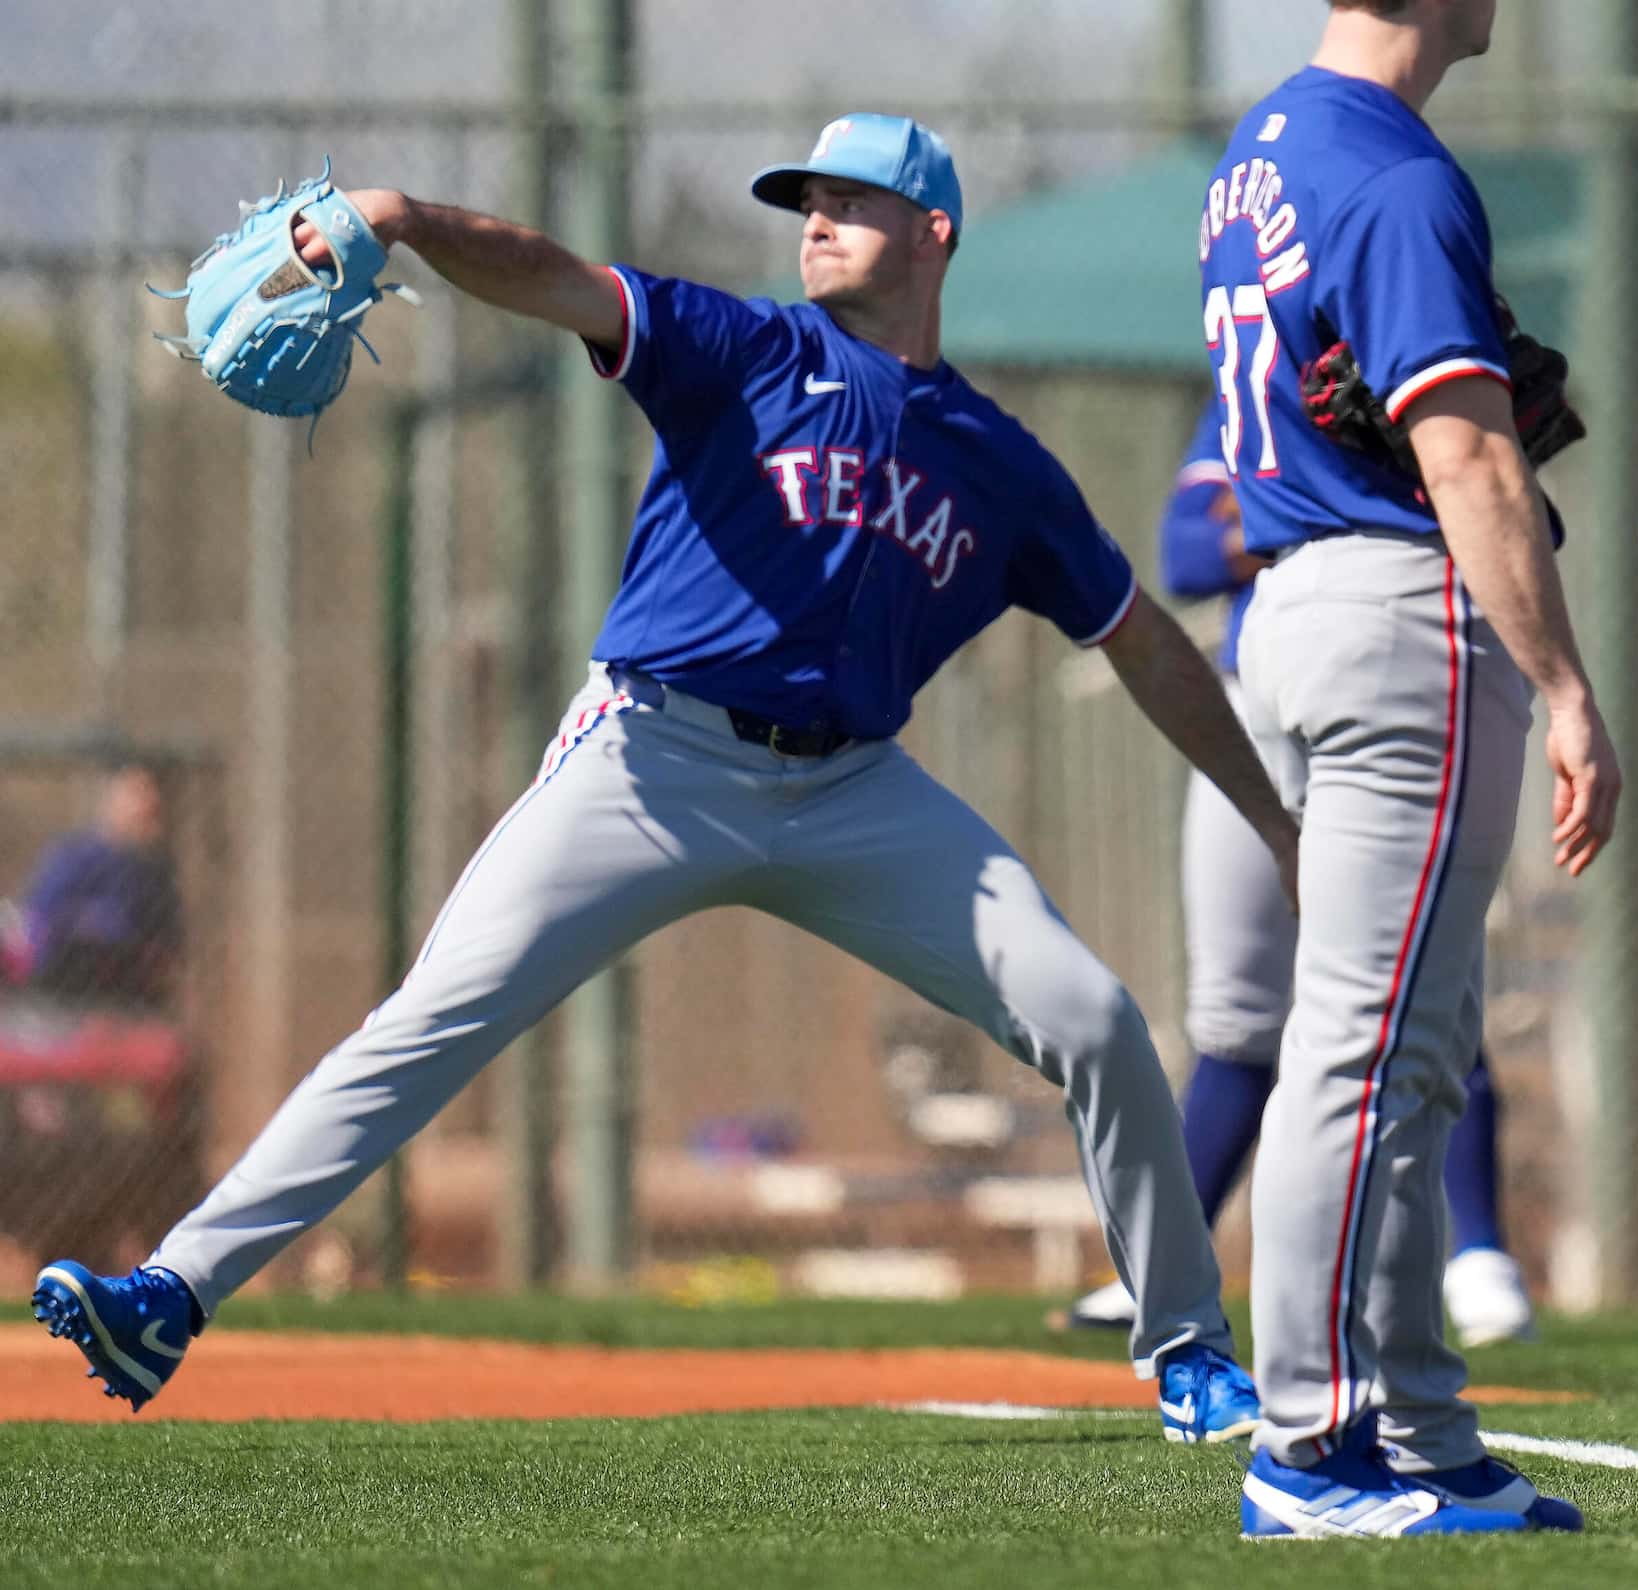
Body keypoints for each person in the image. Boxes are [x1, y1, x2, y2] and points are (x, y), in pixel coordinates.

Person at [31, 113, 1278, 1444]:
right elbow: (554, 274)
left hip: (855, 789)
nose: (814, 218)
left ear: (935, 233)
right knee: (434, 1019)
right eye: (804, 198)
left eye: (850, 200)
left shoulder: (997, 462)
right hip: (651, 757)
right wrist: (398, 214)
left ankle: (1190, 1346)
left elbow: (1141, 642)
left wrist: (1275, 817)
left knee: (1090, 1016)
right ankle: (173, 1291)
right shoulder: (736, 345)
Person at [1203, 0, 1617, 1540]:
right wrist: (1574, 684)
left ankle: (1416, 1420)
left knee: (1414, 1045)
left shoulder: (1265, 148)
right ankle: (1306, 1446)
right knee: (1365, 1057)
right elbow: (1468, 462)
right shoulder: (1388, 168)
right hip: (1391, 615)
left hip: (1287, 604)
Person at [1064, 396, 1537, 1349]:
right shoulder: (1249, 392)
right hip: (1256, 703)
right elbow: (1188, 556)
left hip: (1409, 675)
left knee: (1423, 984)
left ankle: (1476, 1256)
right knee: (1239, 1010)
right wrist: (1345, 500)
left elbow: (1480, 508)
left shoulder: (1437, 380)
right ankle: (1170, 1259)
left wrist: (1274, 510)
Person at [7, 765, 183, 1010]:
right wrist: (93, 921)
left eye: (150, 802)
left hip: (130, 990)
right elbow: (39, 913)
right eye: (134, 796)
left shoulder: (156, 870)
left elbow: (169, 937)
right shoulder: (76, 856)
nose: (143, 807)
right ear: (110, 800)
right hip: (65, 980)